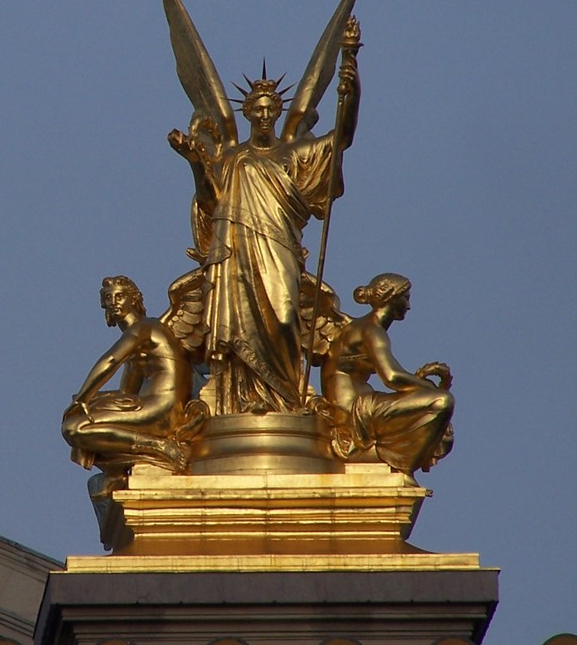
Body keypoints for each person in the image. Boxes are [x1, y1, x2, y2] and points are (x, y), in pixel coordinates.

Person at [169, 59, 360, 415]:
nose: (263, 115)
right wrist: (195, 162)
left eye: (269, 109)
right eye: (256, 109)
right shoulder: (231, 158)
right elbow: (212, 202)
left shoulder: (294, 155)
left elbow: (343, 137)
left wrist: (351, 83)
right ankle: (241, 402)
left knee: (286, 318)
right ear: (246, 113)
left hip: (280, 248)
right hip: (237, 252)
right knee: (237, 325)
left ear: (277, 111)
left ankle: (287, 399)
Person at [62, 276, 196, 495]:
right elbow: (126, 394)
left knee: (75, 428)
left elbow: (111, 360)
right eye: (108, 298)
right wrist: (90, 400)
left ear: (134, 300)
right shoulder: (137, 346)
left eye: (120, 296)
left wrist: (82, 399)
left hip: (163, 408)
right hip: (151, 405)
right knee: (84, 415)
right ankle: (117, 471)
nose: (113, 301)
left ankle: (159, 447)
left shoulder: (145, 328)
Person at [319, 273, 454, 474]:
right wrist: (429, 387)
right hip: (355, 412)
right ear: (391, 297)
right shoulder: (371, 331)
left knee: (435, 408)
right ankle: (396, 460)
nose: (408, 306)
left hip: (355, 406)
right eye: (405, 298)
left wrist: (418, 383)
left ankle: (392, 457)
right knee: (442, 402)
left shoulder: (358, 327)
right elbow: (392, 377)